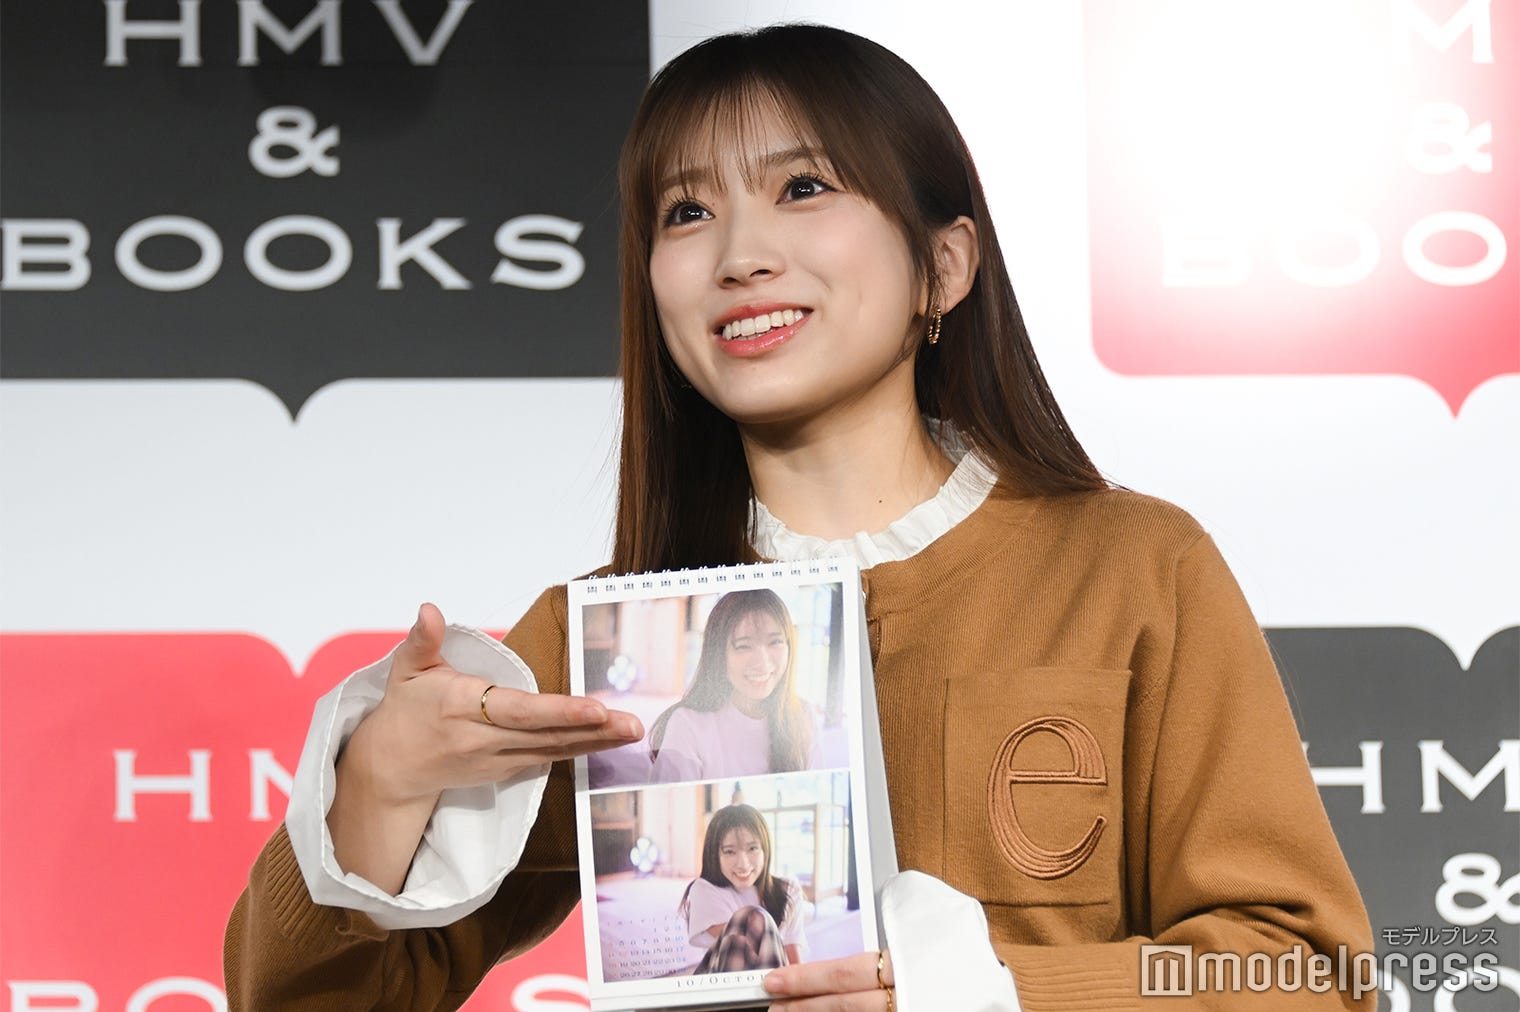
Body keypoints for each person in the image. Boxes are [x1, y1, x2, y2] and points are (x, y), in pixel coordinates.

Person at [225, 23, 1375, 1012]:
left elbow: (1309, 972)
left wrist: (975, 990)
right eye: (686, 211)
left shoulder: (1131, 567)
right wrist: (377, 786)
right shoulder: (601, 642)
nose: (740, 255)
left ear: (943, 264)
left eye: (802, 188)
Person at [647, 589, 818, 783]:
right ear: (718, 654)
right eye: (744, 646)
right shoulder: (688, 724)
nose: (762, 662)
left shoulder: (803, 715)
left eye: (775, 642)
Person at [679, 804, 808, 973]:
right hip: (723, 980)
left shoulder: (788, 890)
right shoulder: (704, 890)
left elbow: (793, 956)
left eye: (752, 848)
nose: (743, 864)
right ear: (714, 854)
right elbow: (745, 943)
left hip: (773, 981)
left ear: (765, 850)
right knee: (752, 918)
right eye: (729, 852)